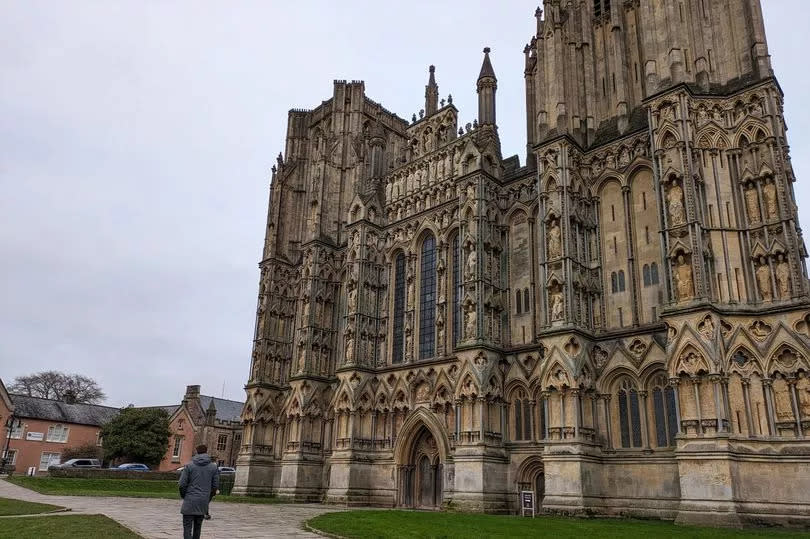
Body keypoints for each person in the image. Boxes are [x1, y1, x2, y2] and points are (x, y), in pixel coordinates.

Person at [179, 444, 220, 539]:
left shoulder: (189, 466)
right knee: (198, 527)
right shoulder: (213, 467)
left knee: (187, 527)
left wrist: (184, 495)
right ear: (206, 452)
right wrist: (208, 497)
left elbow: (182, 484)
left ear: (197, 452)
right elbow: (215, 486)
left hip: (190, 499)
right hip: (203, 501)